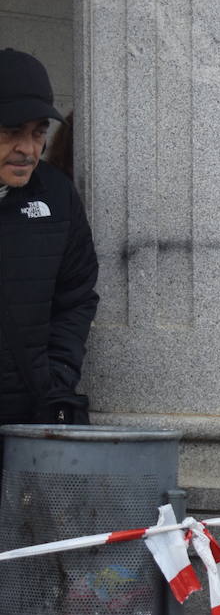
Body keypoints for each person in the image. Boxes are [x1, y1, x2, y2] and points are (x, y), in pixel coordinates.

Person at [0, 49, 98, 430]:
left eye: (39, 132)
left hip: (31, 424)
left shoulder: (57, 195)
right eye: (12, 133)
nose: (28, 149)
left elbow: (77, 295)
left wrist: (56, 377)